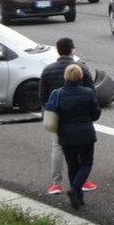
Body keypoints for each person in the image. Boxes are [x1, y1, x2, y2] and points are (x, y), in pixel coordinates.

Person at [40, 38, 96, 196]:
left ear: (58, 50)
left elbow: (42, 96)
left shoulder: (48, 70)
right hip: (81, 118)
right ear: (72, 50)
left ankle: (56, 184)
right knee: (83, 155)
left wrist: (51, 111)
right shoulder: (81, 68)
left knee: (57, 148)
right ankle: (81, 181)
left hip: (59, 117)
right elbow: (92, 91)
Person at [54, 64, 102, 210]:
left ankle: (78, 197)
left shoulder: (58, 94)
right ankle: (75, 190)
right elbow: (96, 114)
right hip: (85, 133)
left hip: (66, 135)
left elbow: (54, 114)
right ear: (81, 76)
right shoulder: (88, 93)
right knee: (86, 163)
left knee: (72, 164)